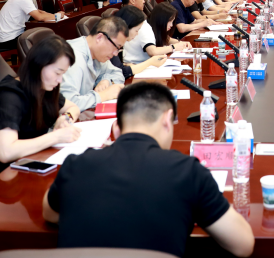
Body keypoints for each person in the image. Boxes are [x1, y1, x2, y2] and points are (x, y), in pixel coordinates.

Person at [42, 82, 255, 257]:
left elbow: (50, 214)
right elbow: (243, 244)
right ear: (167, 120)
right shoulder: (187, 172)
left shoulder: (76, 164)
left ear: (115, 128)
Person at [0, 35, 82, 182]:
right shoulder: (8, 96)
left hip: (27, 163)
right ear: (39, 65)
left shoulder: (44, 88)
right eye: (57, 73)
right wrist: (56, 137)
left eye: (63, 74)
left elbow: (73, 107)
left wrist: (66, 118)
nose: (60, 80)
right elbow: (5, 152)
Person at [60, 17, 128, 111]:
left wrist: (106, 80)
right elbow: (67, 103)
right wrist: (103, 95)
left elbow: (117, 73)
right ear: (99, 38)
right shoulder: (72, 58)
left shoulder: (97, 54)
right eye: (116, 47)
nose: (116, 54)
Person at [0, 0, 64, 51]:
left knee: (41, 35)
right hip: (9, 39)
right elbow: (39, 17)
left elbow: (39, 12)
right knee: (43, 38)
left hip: (7, 36)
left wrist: (54, 15)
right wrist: (58, 16)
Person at [111, 5, 167, 79]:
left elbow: (119, 68)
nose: (137, 34)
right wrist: (150, 62)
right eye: (136, 30)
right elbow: (122, 72)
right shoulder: (111, 44)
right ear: (126, 27)